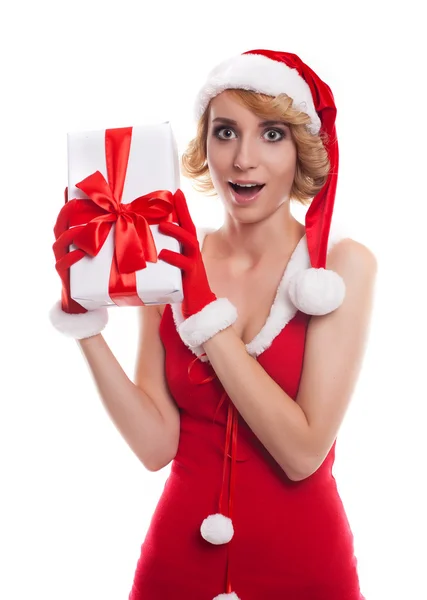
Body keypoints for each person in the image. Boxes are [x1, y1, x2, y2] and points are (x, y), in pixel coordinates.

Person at [49, 49, 377, 599]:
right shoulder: (170, 259)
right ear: (206, 148)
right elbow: (156, 447)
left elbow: (302, 454)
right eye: (226, 133)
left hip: (303, 564)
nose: (243, 159)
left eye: (271, 135)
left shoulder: (340, 267)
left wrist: (203, 314)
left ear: (301, 151)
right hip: (177, 564)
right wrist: (85, 324)